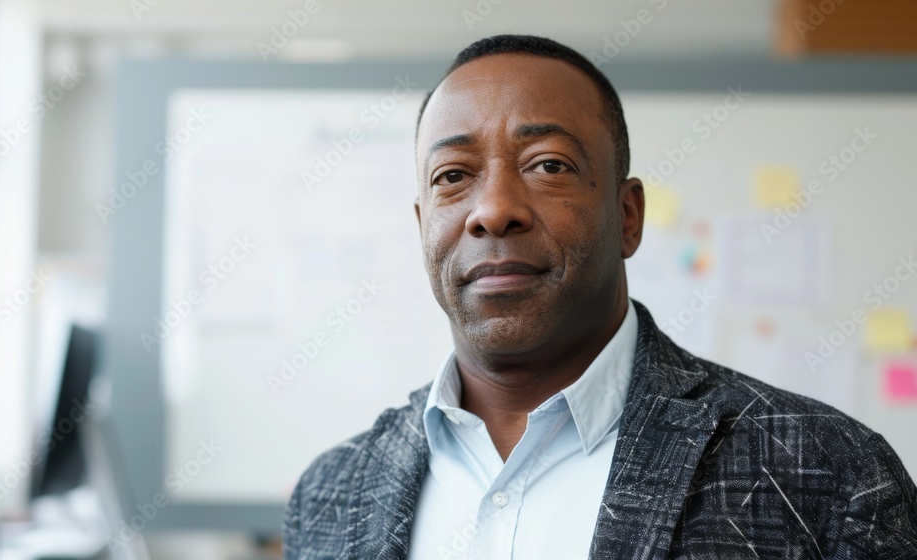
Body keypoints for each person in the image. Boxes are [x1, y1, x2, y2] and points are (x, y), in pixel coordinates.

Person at [282, 34, 917, 559]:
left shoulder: (830, 474)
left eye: (548, 165)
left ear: (628, 215)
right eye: (454, 176)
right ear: (423, 225)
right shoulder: (331, 495)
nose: (494, 210)